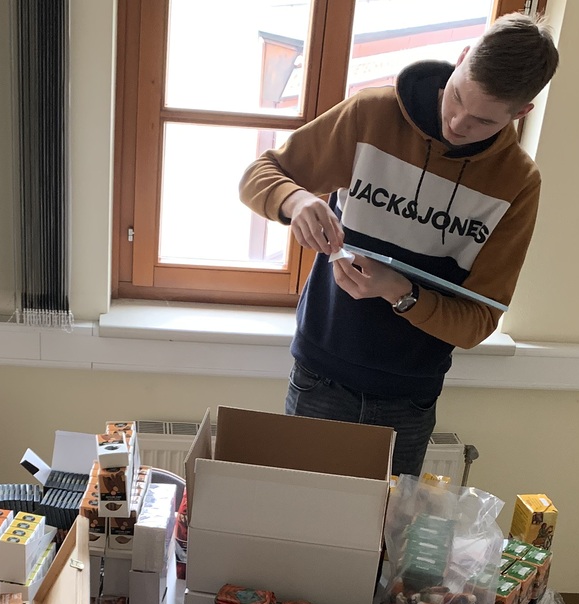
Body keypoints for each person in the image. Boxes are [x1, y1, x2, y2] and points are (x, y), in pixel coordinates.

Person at [239, 14, 559, 477]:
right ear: (461, 59)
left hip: (409, 400)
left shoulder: (518, 184)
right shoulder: (372, 115)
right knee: (299, 515)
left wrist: (400, 293)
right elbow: (258, 175)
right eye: (456, 97)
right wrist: (297, 200)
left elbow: (478, 321)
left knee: (385, 525)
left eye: (483, 120)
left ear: (520, 113)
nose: (457, 123)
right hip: (319, 376)